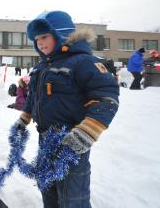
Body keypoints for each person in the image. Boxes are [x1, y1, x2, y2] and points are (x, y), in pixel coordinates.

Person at [16, 11, 119, 207]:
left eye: (44, 36)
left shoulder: (83, 62)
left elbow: (106, 98)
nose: (40, 43)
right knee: (48, 190)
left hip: (72, 143)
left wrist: (86, 132)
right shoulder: (41, 68)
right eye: (36, 39)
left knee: (72, 197)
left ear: (60, 34)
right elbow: (33, 97)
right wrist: (24, 118)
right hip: (45, 139)